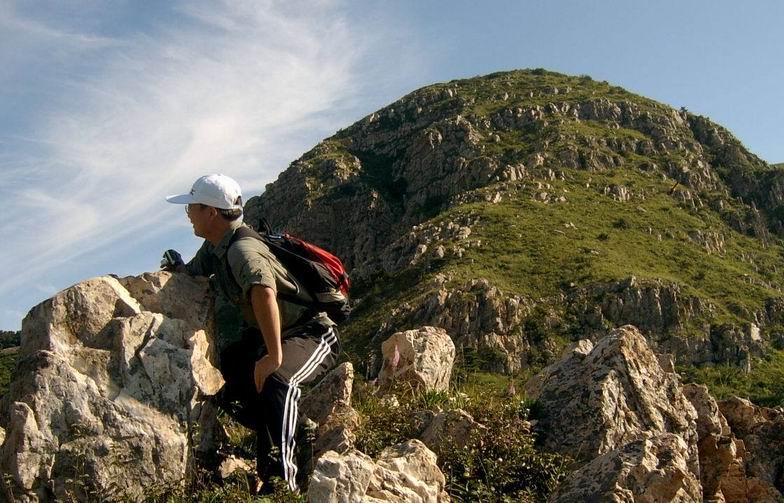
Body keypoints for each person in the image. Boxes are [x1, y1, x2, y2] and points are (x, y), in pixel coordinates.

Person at [163, 173, 340, 494]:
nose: (188, 214)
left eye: (192, 208)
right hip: (275, 335)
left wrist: (273, 356)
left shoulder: (242, 250)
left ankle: (281, 486)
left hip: (312, 333)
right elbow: (193, 274)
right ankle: (298, 430)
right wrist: (176, 269)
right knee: (225, 379)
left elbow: (263, 292)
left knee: (278, 379)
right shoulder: (216, 246)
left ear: (211, 212)